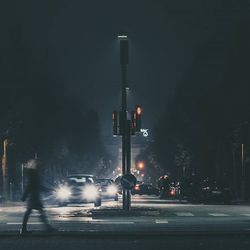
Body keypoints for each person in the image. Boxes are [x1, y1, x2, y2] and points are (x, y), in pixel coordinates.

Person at [20, 157, 54, 234]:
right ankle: (47, 227)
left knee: (31, 212)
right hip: (34, 196)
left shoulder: (32, 174)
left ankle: (24, 229)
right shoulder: (33, 174)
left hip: (34, 195)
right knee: (39, 212)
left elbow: (33, 185)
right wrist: (49, 190)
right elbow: (33, 185)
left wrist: (24, 196)